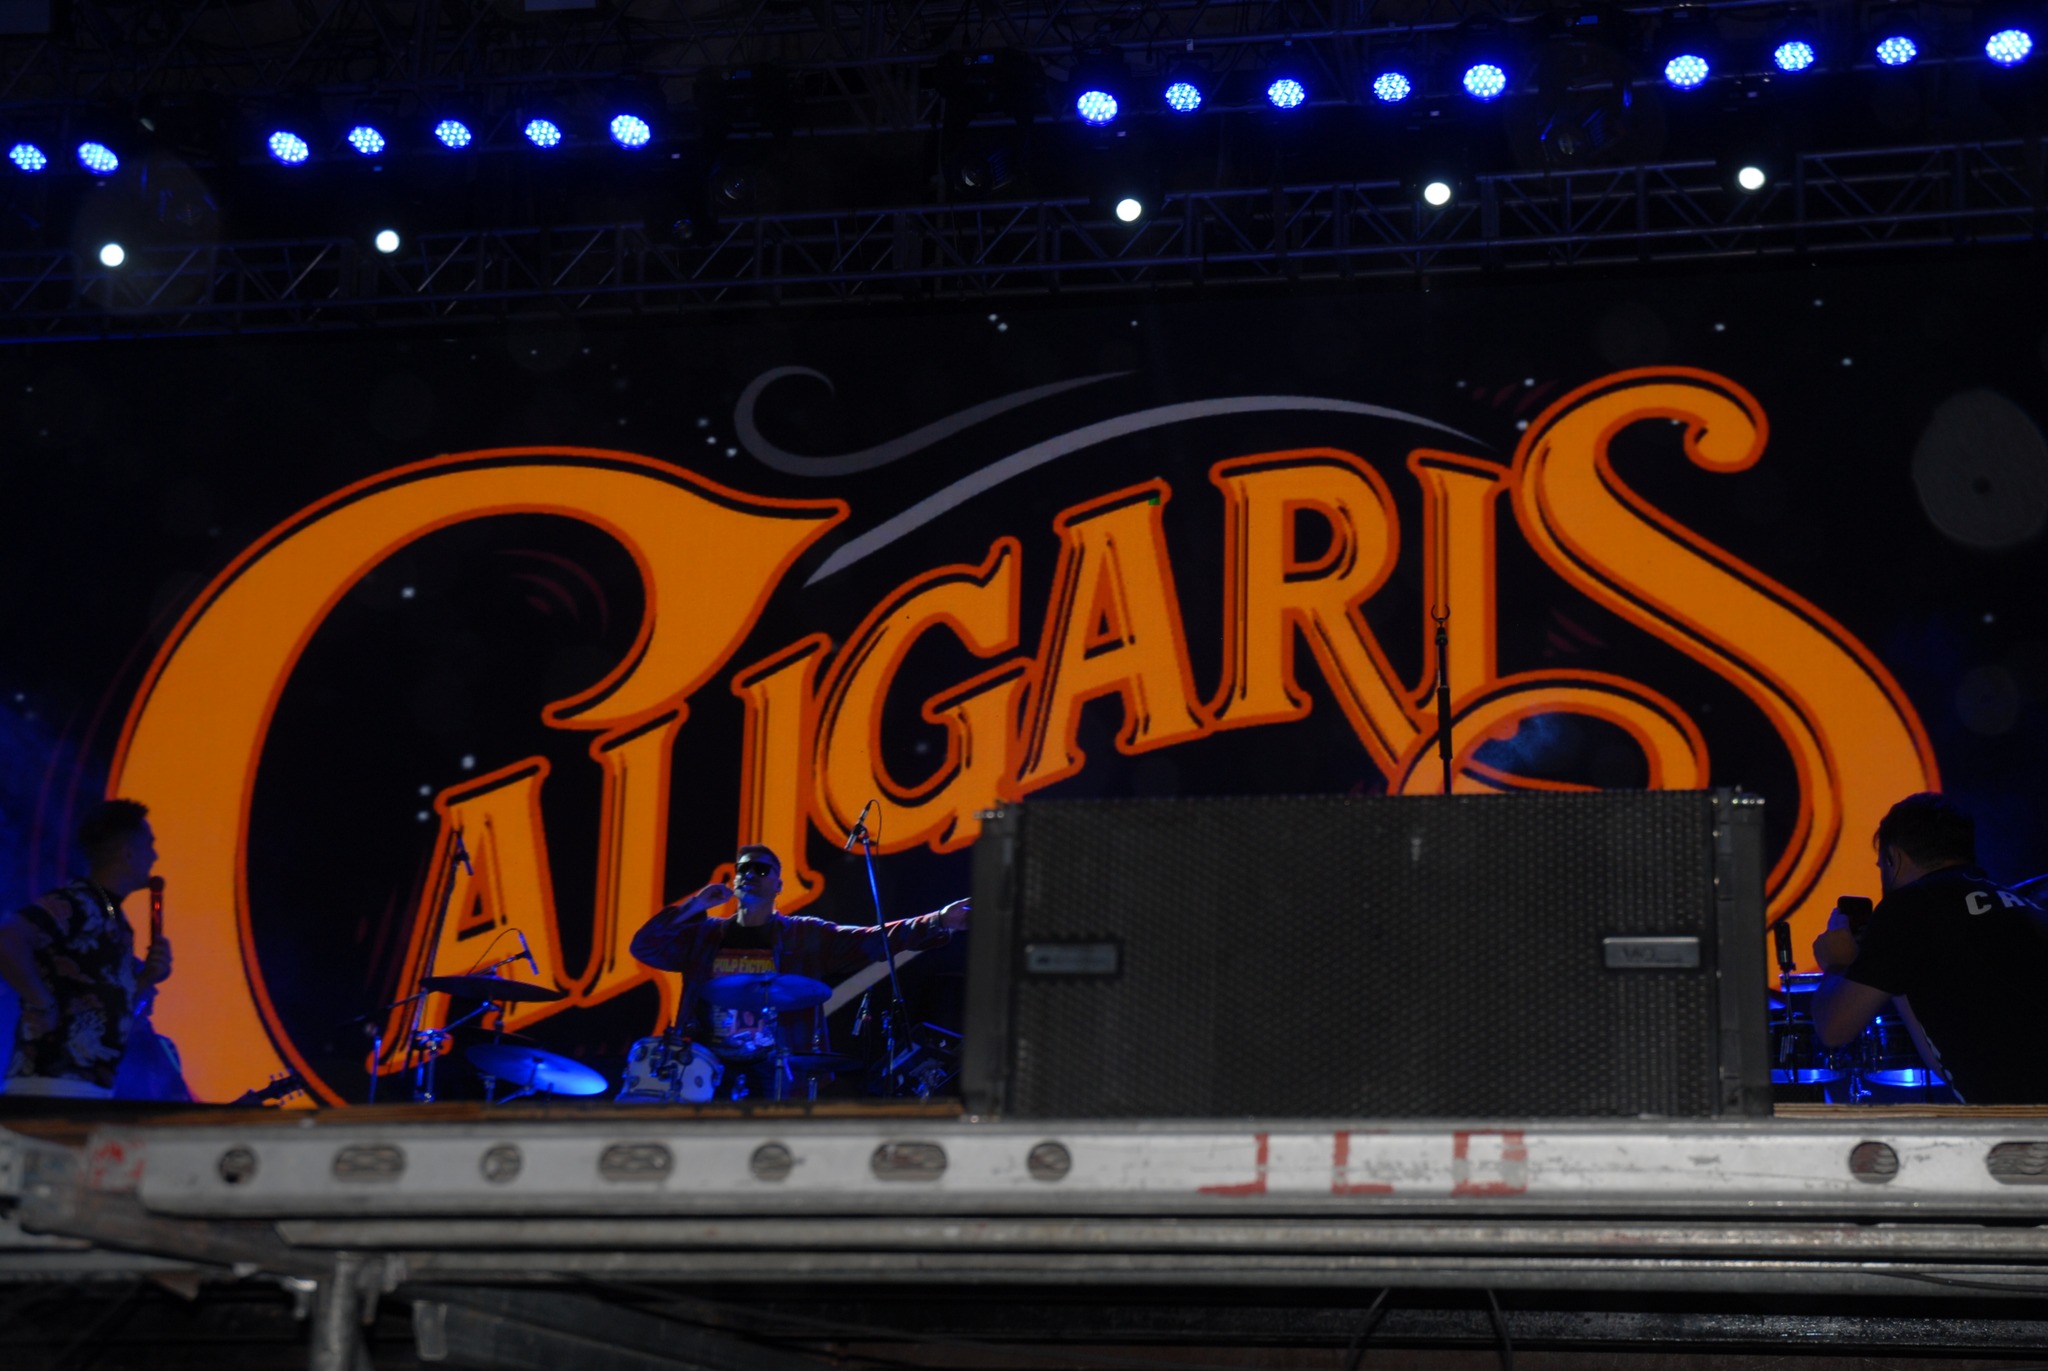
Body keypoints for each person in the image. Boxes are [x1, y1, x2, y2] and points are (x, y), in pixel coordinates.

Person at [630, 845, 966, 1093]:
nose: (750, 874)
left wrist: (937, 921)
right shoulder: (704, 936)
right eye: (743, 869)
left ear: (779, 885)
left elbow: (871, 940)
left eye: (761, 869)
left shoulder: (804, 935)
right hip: (707, 1067)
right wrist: (695, 905)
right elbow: (645, 947)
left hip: (778, 1066)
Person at [1810, 792, 2048, 1104]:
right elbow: (1948, 1062)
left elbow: (1833, 1029)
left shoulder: (1908, 907)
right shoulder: (2024, 907)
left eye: (1881, 865)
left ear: (1894, 858)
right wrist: (1885, 972)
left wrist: (1837, 965)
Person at [0, 799, 174, 1099]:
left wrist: (147, 979)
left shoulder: (114, 919)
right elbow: (7, 939)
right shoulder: (76, 902)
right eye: (149, 845)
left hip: (86, 1090)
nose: (154, 856)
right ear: (127, 853)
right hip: (48, 1087)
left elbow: (108, 1013)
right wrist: (41, 1002)